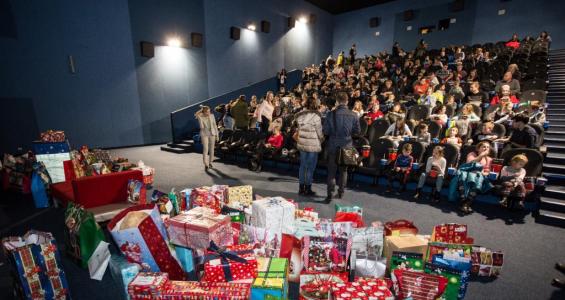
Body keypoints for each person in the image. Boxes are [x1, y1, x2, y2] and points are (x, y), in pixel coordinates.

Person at [322, 92, 361, 203]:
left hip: (333, 146)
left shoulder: (330, 114)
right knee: (344, 171)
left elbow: (326, 131)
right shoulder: (354, 115)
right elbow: (357, 132)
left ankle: (329, 194)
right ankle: (341, 192)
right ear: (347, 101)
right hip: (347, 146)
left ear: (337, 102)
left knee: (331, 172)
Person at [295, 97, 324, 196]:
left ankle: (301, 189)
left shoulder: (300, 116)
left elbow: (299, 130)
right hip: (313, 145)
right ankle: (307, 189)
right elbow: (319, 133)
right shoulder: (316, 117)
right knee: (310, 167)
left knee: (303, 166)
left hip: (302, 144)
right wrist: (322, 139)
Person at [458, 141, 493, 214]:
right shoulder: (472, 154)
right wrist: (481, 155)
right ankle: (465, 202)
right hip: (468, 173)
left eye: (487, 147)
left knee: (479, 178)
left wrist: (484, 173)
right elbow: (470, 164)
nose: (486, 148)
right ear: (478, 148)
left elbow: (487, 170)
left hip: (478, 176)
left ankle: (465, 203)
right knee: (471, 177)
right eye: (483, 146)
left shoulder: (489, 159)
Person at [195, 106, 219, 171]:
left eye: (209, 111)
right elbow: (196, 114)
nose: (209, 112)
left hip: (212, 133)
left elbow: (215, 125)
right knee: (205, 149)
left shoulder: (212, 115)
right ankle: (205, 163)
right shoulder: (200, 116)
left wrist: (217, 135)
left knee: (212, 149)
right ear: (204, 112)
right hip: (204, 134)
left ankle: (210, 162)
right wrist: (201, 111)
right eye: (207, 111)